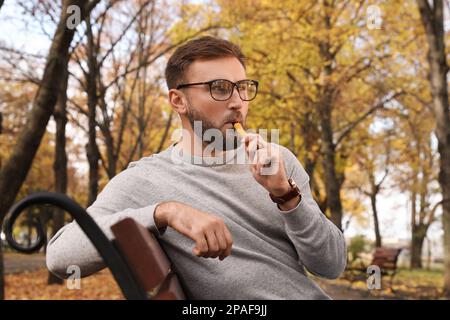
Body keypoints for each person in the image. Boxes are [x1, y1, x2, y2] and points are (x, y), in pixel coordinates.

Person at [46, 36, 346, 299]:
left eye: (243, 88)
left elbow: (331, 266)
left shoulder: (278, 161)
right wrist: (165, 212)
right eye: (219, 88)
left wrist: (285, 196)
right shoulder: (146, 179)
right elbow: (60, 257)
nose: (238, 102)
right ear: (178, 101)